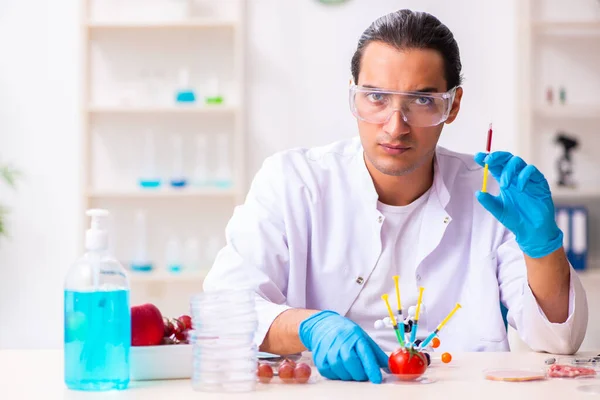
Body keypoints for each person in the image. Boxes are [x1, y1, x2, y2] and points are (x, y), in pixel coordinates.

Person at [203, 9, 588, 384]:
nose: (395, 126)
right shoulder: (292, 182)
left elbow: (559, 339)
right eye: (376, 97)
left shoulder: (489, 194)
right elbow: (225, 309)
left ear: (451, 105)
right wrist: (308, 325)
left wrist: (542, 245)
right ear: (353, 96)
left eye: (422, 101)